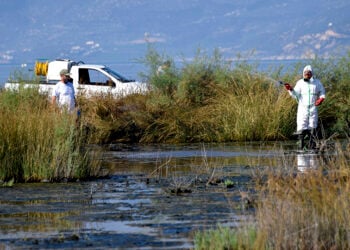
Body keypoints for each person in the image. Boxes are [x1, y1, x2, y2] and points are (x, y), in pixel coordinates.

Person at [284, 65, 326, 150]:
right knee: (301, 126)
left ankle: (312, 146)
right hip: (302, 108)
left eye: (309, 73)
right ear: (303, 73)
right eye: (305, 73)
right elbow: (295, 94)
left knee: (313, 126)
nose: (307, 74)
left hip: (313, 107)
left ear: (312, 73)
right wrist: (290, 89)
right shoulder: (300, 83)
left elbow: (322, 92)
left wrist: (321, 98)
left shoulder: (317, 83)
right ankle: (301, 147)